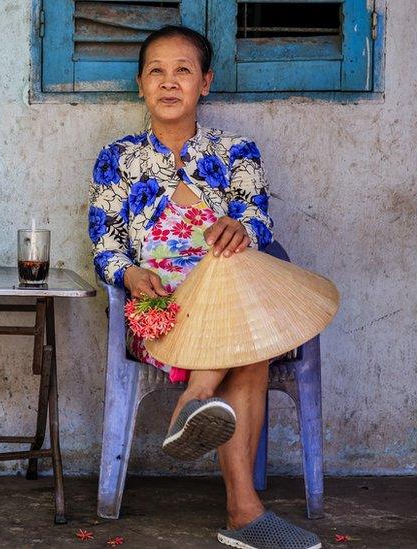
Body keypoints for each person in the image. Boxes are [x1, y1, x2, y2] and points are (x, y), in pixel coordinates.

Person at [88, 26, 321, 549]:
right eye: (156, 72)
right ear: (141, 86)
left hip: (233, 302)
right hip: (162, 310)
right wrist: (128, 274)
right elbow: (104, 243)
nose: (169, 83)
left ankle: (197, 399)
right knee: (252, 341)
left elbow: (258, 223)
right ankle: (244, 514)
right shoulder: (118, 159)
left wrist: (241, 230)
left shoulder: (237, 152)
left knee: (236, 263)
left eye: (183, 71)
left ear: (206, 83)